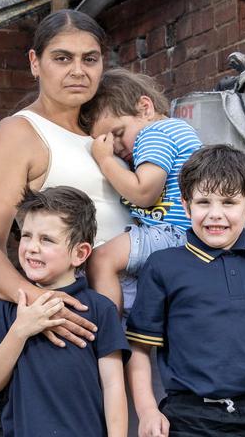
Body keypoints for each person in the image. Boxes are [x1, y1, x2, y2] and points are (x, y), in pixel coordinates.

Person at [126, 144, 245, 437]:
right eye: (204, 202)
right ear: (186, 205)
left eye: (229, 202)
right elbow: (140, 350)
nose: (215, 214)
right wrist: (147, 410)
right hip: (188, 419)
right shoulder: (163, 266)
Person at [0, 10, 130, 349]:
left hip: (143, 308)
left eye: (90, 59)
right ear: (35, 62)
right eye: (62, 58)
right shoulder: (19, 133)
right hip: (76, 316)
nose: (78, 70)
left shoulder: (107, 132)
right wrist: (44, 306)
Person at [0, 186, 129, 437]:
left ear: (80, 253)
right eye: (26, 236)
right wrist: (20, 330)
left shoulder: (100, 309)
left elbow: (113, 387)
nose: (32, 247)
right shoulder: (11, 307)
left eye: (46, 239)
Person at [83, 68, 202, 314]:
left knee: (101, 259)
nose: (115, 147)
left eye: (117, 134)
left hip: (175, 234)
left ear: (145, 108)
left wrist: (104, 160)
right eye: (107, 143)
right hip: (182, 237)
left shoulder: (155, 133)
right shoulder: (174, 131)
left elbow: (144, 192)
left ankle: (109, 336)